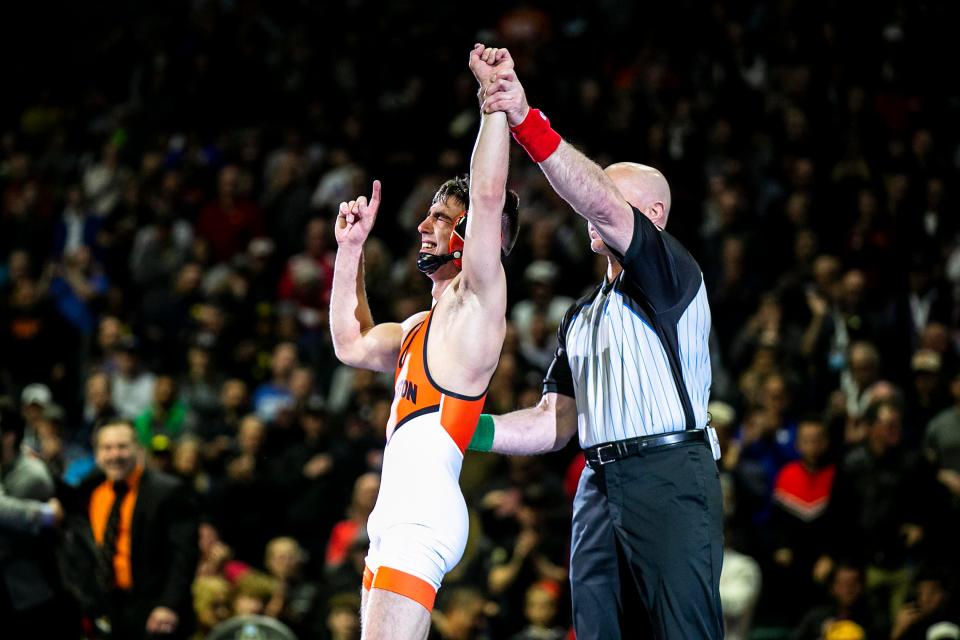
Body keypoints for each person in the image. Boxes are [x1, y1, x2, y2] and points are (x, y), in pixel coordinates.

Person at [469, 47, 723, 638]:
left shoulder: (671, 273)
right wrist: (464, 426)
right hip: (596, 481)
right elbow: (555, 422)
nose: (592, 205)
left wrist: (524, 119)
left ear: (654, 215)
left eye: (610, 193)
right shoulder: (581, 315)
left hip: (667, 470)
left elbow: (600, 201)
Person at [329, 44, 520, 640]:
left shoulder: (478, 300)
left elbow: (489, 197)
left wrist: (494, 104)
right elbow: (351, 344)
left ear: (473, 234)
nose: (422, 226)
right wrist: (350, 252)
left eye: (439, 217)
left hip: (421, 516)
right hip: (392, 518)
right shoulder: (417, 326)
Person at [62, 419, 199, 638]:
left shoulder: (168, 491)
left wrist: (169, 605)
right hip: (110, 609)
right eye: (107, 448)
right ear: (97, 454)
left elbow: (184, 556)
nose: (115, 455)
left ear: (137, 449)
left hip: (156, 612)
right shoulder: (91, 489)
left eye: (122, 446)